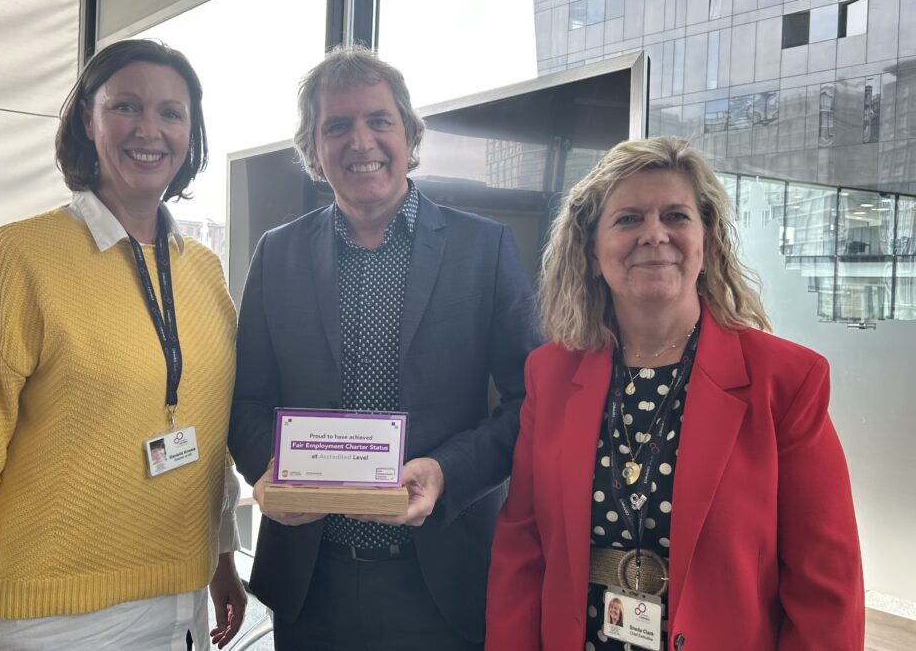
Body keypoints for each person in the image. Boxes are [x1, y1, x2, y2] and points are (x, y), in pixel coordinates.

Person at [0, 39, 247, 650]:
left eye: (171, 113)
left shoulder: (203, 271)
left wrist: (221, 560)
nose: (150, 129)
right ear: (87, 122)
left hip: (180, 609)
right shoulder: (17, 257)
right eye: (126, 107)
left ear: (191, 132)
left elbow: (209, 440)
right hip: (51, 621)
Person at [486, 137, 864, 650]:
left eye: (676, 217)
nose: (654, 234)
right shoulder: (549, 374)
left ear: (706, 243)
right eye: (628, 219)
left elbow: (826, 586)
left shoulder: (786, 381)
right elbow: (522, 551)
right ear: (592, 253)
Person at [229, 45, 541, 651]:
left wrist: (447, 473)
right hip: (311, 582)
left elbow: (531, 401)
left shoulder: (485, 249)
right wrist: (266, 475)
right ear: (314, 151)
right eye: (336, 126)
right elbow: (248, 401)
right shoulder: (277, 254)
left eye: (378, 120)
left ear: (408, 134)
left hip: (444, 580)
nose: (360, 140)